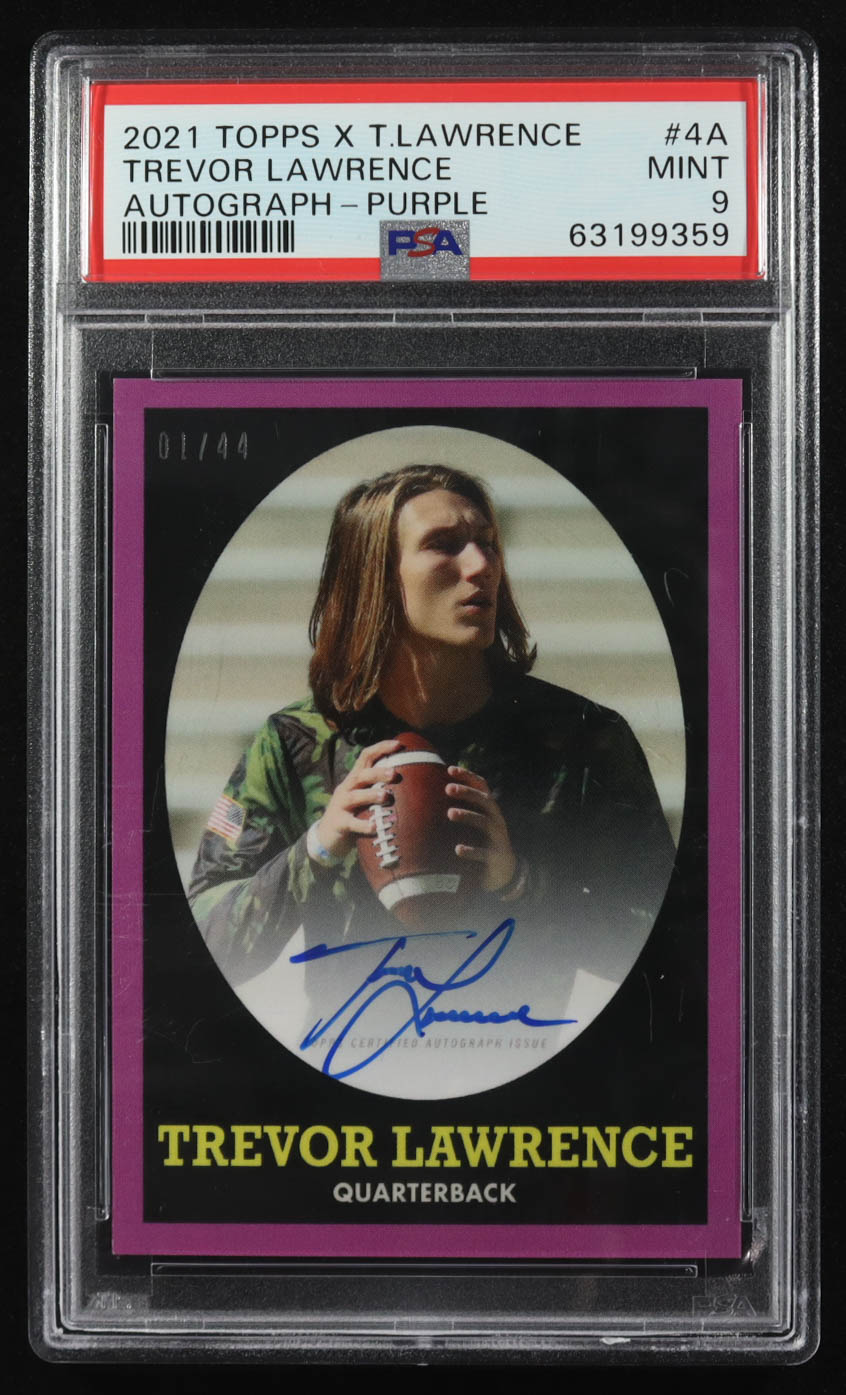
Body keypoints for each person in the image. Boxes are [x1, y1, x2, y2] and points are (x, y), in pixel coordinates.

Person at [189, 464, 676, 996]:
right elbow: (206, 938)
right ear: (375, 575)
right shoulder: (293, 743)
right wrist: (316, 850)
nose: (481, 565)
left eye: (489, 543)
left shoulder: (584, 739)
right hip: (348, 1044)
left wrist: (519, 881)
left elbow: (663, 944)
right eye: (443, 545)